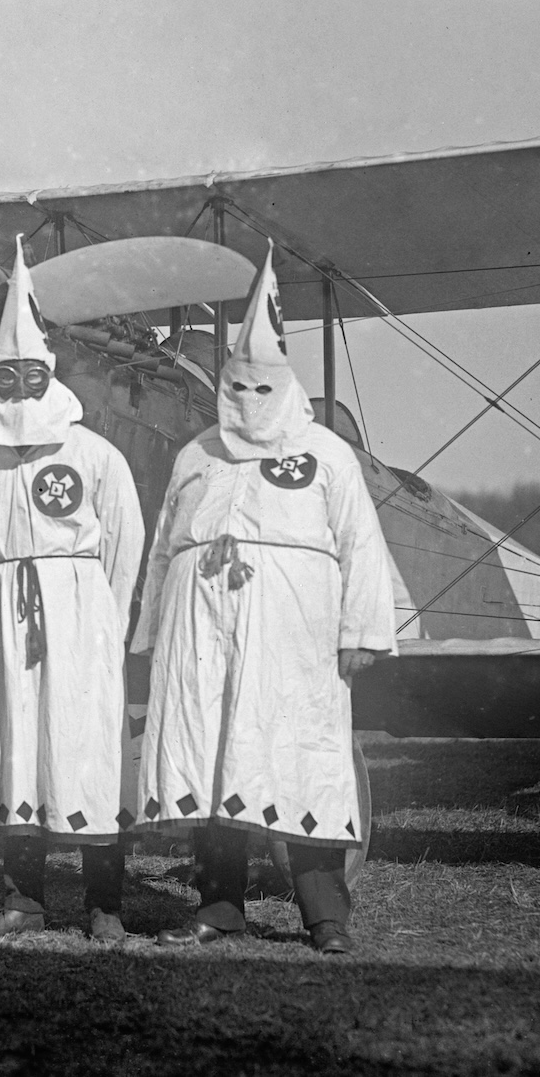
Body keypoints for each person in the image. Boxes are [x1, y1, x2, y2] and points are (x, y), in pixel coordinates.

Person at [129, 244, 396, 955]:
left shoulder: (327, 455)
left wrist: (361, 632)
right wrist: (151, 635)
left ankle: (325, 916)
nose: (248, 399)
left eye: (262, 388)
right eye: (237, 386)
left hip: (292, 638)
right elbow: (164, 550)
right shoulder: (197, 455)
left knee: (299, 765)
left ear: (286, 385)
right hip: (202, 634)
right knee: (212, 762)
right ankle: (220, 907)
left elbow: (361, 544)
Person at [0, 236, 145, 944]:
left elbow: (124, 543)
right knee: (14, 748)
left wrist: (98, 616)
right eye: (6, 377)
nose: (19, 390)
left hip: (80, 614)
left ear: (49, 375)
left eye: (30, 376)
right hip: (2, 615)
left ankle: (104, 904)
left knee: (83, 747)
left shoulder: (94, 455)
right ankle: (23, 900)